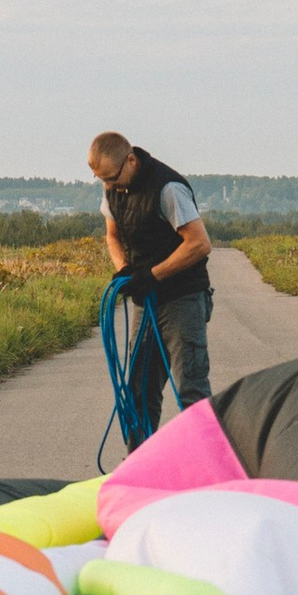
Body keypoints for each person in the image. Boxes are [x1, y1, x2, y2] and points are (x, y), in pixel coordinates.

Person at [90, 131, 211, 435]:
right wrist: (125, 270)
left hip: (183, 299)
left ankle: (208, 467)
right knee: (139, 391)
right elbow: (113, 236)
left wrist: (152, 275)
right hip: (146, 301)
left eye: (112, 179)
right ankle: (139, 466)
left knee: (190, 390)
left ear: (130, 160)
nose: (108, 187)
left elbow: (198, 244)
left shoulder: (168, 189)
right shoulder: (112, 189)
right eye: (101, 180)